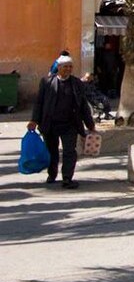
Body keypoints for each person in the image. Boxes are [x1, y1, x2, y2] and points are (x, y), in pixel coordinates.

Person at [27, 55, 97, 189]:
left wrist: (90, 125)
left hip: (70, 124)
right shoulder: (47, 82)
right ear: (58, 68)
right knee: (51, 151)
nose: (68, 69)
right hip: (50, 124)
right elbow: (39, 103)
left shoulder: (77, 83)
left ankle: (67, 178)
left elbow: (83, 106)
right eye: (65, 67)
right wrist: (34, 120)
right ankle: (52, 174)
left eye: (70, 67)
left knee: (69, 151)